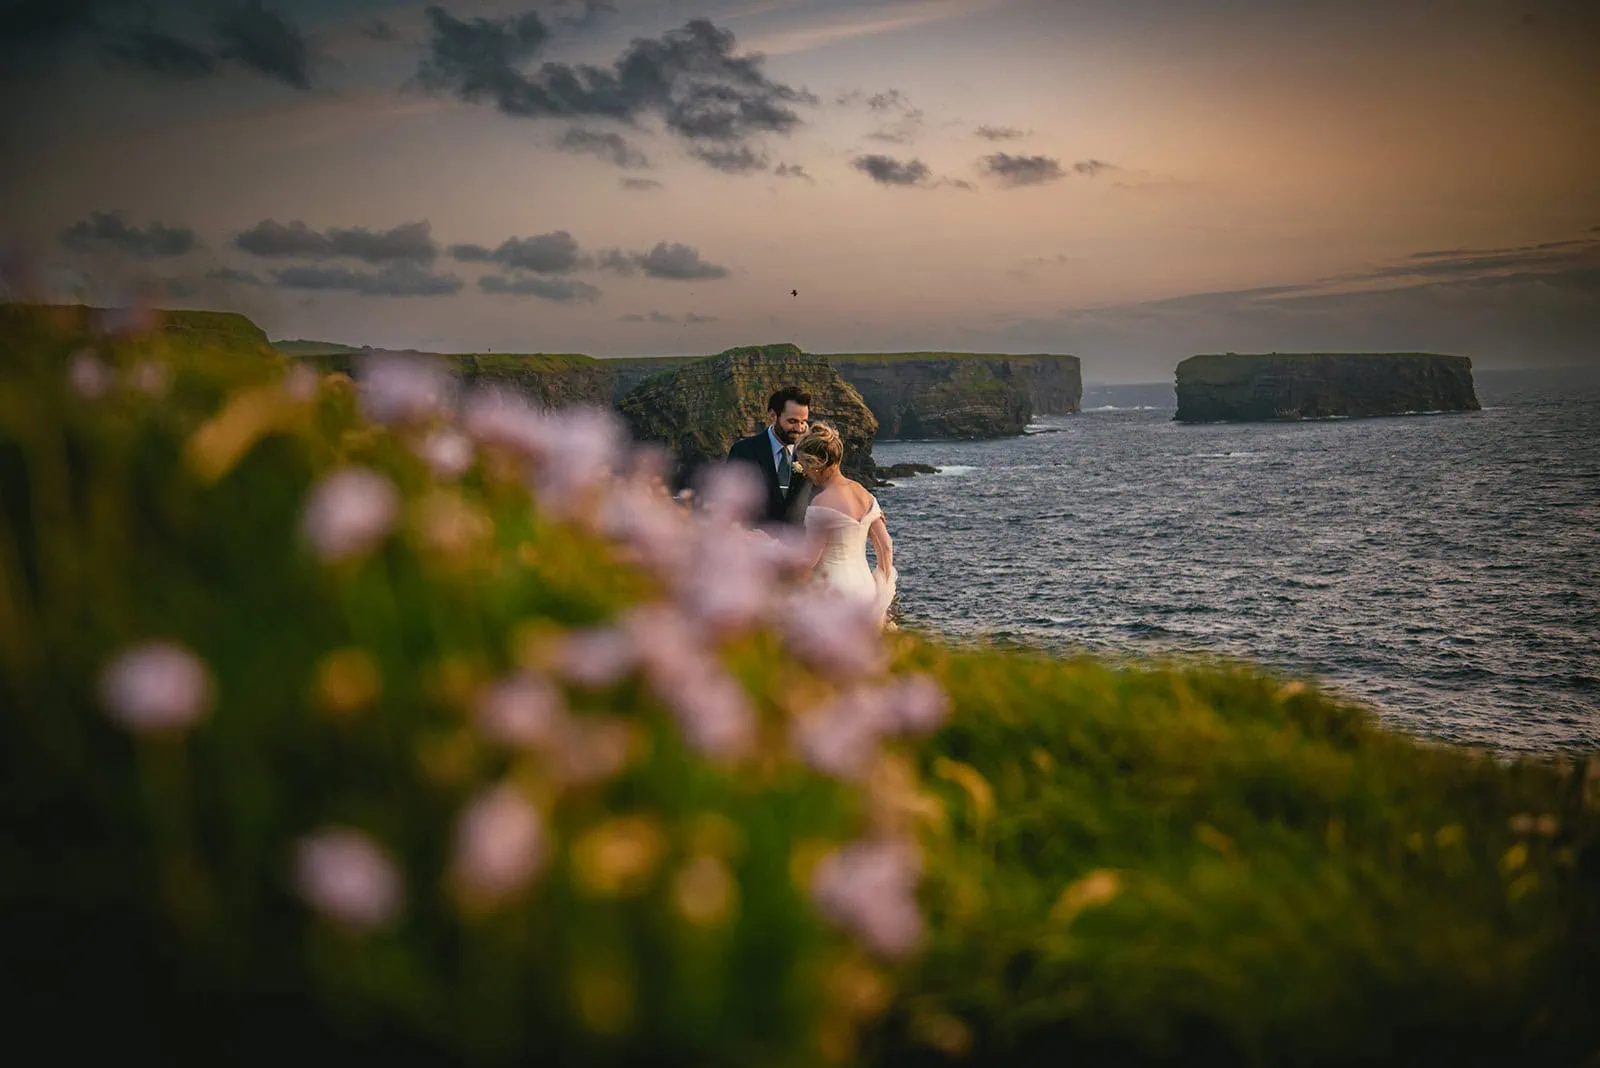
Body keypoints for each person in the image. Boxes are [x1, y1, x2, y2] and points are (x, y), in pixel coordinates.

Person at [794, 422, 897, 628]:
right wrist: (882, 591)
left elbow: (808, 560)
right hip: (865, 589)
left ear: (817, 463)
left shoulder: (821, 503)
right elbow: (885, 546)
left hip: (832, 592)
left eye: (804, 464)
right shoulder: (865, 494)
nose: (804, 471)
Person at [726, 387, 812, 527]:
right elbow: (729, 504)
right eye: (792, 421)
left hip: (798, 546)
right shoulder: (743, 451)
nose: (799, 428)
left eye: (803, 422)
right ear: (773, 415)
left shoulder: (810, 454)